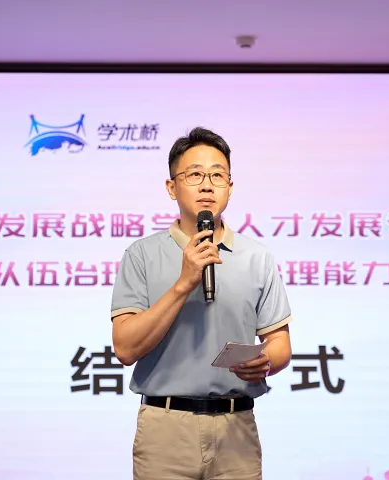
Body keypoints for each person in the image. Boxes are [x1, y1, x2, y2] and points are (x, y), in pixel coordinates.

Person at [110, 127, 293, 480]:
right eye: (194, 175)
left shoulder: (256, 257)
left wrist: (266, 360)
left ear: (230, 187)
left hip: (236, 427)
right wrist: (183, 283)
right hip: (166, 428)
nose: (207, 186)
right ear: (172, 187)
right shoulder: (141, 255)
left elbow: (280, 343)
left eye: (217, 176)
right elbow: (125, 348)